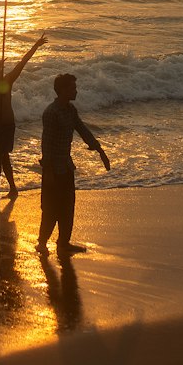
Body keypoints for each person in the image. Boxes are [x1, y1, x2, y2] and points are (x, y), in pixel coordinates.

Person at [36, 73, 110, 254]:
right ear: (62, 90)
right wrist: (49, 172)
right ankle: (42, 243)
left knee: (68, 207)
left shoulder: (70, 110)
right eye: (72, 88)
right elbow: (46, 145)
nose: (76, 91)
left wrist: (100, 150)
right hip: (53, 169)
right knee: (50, 208)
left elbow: (82, 129)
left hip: (67, 166)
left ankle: (63, 243)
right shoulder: (51, 113)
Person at [0, 33, 47, 200]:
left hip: (7, 126)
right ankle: (13, 189)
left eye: (0, 68)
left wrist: (36, 46)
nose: (0, 70)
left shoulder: (7, 81)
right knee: (3, 158)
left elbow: (22, 63)